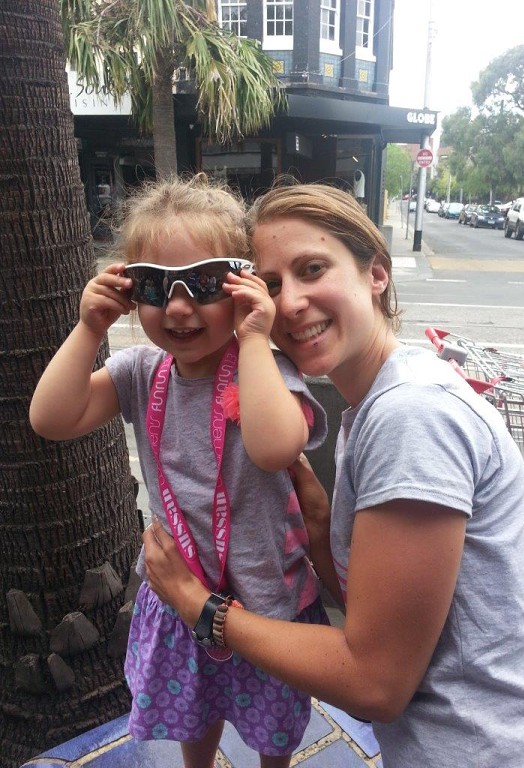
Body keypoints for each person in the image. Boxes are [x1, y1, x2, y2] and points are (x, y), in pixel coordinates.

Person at [142, 182, 524, 767]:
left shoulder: (411, 418)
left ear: (376, 273)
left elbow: (374, 683)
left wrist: (198, 606)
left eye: (312, 269)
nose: (290, 304)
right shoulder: (375, 402)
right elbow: (388, 613)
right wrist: (323, 535)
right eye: (271, 285)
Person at [29, 176, 330, 768]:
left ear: (243, 286)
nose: (178, 306)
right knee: (196, 712)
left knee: (273, 731)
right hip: (180, 597)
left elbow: (275, 448)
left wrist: (253, 338)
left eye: (206, 282)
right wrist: (90, 328)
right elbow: (51, 418)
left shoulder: (265, 370)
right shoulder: (142, 372)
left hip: (269, 602)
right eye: (154, 284)